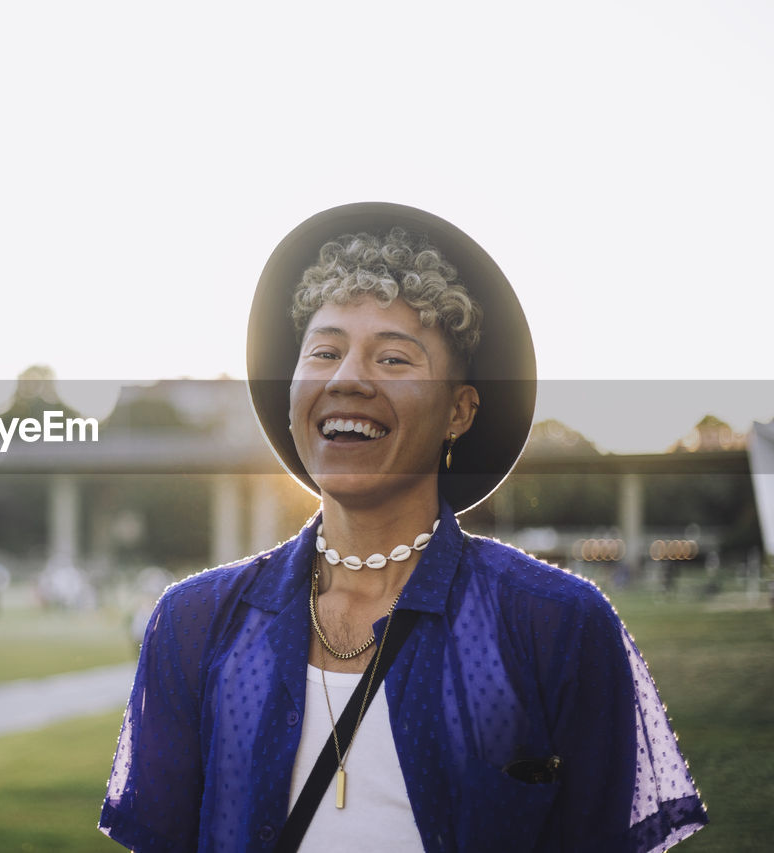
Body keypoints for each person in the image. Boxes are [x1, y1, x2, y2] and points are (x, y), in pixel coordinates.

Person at [99, 203, 707, 852]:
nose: (348, 377)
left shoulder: (555, 623)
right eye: (325, 350)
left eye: (393, 359)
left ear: (459, 410)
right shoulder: (193, 623)